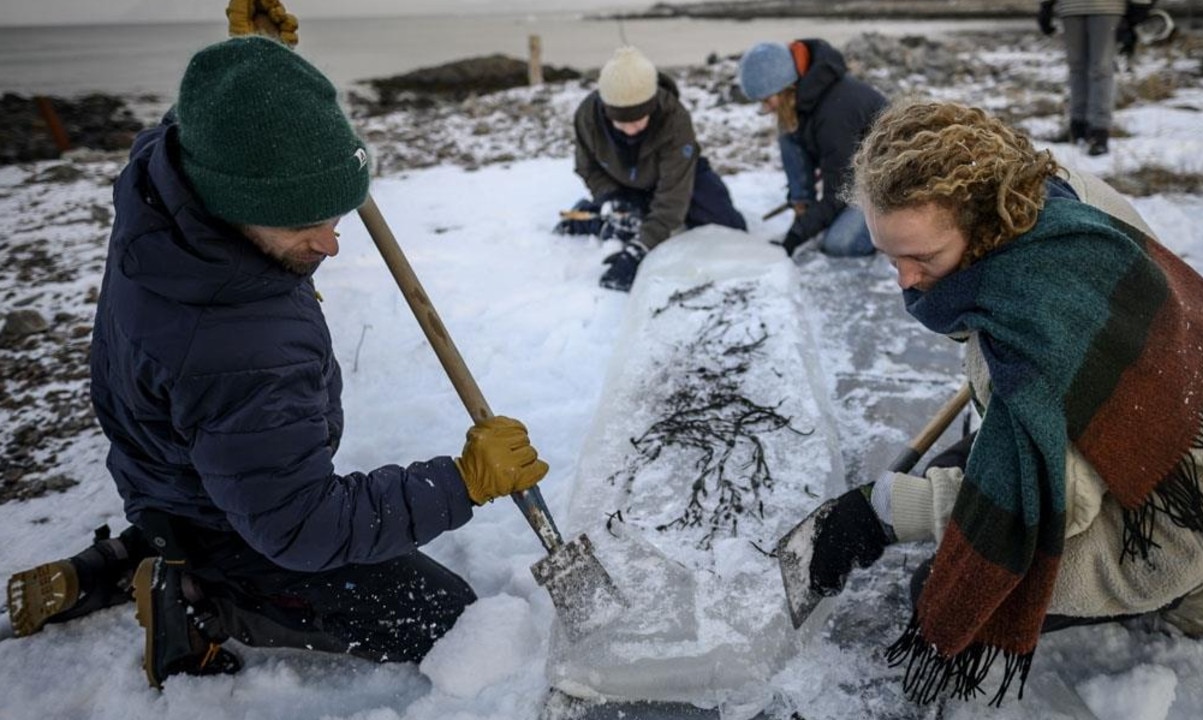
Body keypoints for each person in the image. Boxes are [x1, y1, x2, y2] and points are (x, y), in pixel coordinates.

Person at [5, 36, 550, 690]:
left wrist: (258, 56)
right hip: (237, 515)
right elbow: (303, 526)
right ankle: (205, 602)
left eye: (333, 214)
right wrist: (463, 482)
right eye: (300, 225)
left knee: (229, 492)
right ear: (233, 204)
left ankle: (143, 549)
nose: (330, 243)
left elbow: (216, 112)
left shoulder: (170, 176)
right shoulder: (238, 349)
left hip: (176, 469)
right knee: (442, 615)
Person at [805, 100, 1203, 705]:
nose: (903, 280)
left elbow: (1058, 506)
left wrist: (883, 514)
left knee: (951, 588)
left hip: (1191, 509)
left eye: (921, 258)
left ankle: (1202, 584)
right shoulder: (1049, 195)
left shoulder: (1040, 317)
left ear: (980, 226)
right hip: (1174, 427)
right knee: (962, 469)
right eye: (889, 255)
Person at [555, 46, 747, 293]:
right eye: (621, 122)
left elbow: (673, 196)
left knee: (729, 227)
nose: (631, 130)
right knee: (628, 222)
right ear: (606, 111)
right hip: (624, 182)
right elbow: (588, 167)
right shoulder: (587, 117)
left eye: (638, 120)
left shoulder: (674, 119)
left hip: (679, 176)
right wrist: (611, 197)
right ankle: (595, 217)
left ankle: (634, 219)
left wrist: (639, 251)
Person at [737, 38, 887, 258]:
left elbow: (839, 192)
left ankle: (887, 228)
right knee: (787, 133)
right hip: (853, 173)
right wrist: (804, 210)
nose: (766, 108)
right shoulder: (807, 97)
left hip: (885, 184)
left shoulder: (835, 113)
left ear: (786, 88)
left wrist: (796, 236)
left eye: (767, 100)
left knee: (841, 244)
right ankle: (804, 210)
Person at [1037, 0, 1154, 155]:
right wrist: (1046, 5)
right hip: (1070, 8)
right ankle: (1077, 128)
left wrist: (1139, 8)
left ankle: (1099, 131)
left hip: (1107, 8)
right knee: (1076, 68)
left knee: (1101, 69)